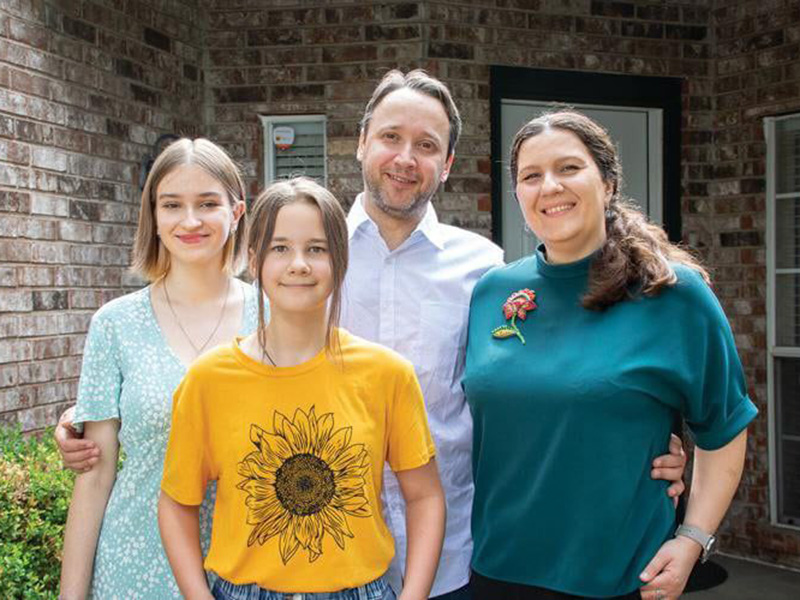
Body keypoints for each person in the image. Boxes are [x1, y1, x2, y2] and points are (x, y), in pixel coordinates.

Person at [56, 71, 688, 600]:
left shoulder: (486, 272)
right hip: (277, 561)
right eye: (390, 136)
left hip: (445, 562)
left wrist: (634, 442)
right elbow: (204, 348)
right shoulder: (304, 252)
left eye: (426, 143)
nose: (405, 158)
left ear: (447, 163)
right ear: (360, 143)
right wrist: (96, 417)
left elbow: (545, 382)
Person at [463, 110, 758, 600]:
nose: (549, 186)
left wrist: (693, 539)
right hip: (498, 571)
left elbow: (724, 426)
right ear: (517, 195)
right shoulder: (492, 291)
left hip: (621, 580)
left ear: (608, 182)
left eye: (569, 168)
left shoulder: (672, 293)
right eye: (531, 176)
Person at [157, 177, 445, 600]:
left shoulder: (388, 374)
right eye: (280, 248)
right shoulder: (208, 380)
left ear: (340, 261)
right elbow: (177, 503)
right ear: (253, 262)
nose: (299, 264)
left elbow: (425, 497)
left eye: (316, 248)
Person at [58, 138, 257, 599]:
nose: (190, 221)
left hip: (248, 570)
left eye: (207, 203)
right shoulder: (115, 325)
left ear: (236, 211)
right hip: (134, 567)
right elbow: (96, 474)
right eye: (172, 205)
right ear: (154, 217)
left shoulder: (271, 316)